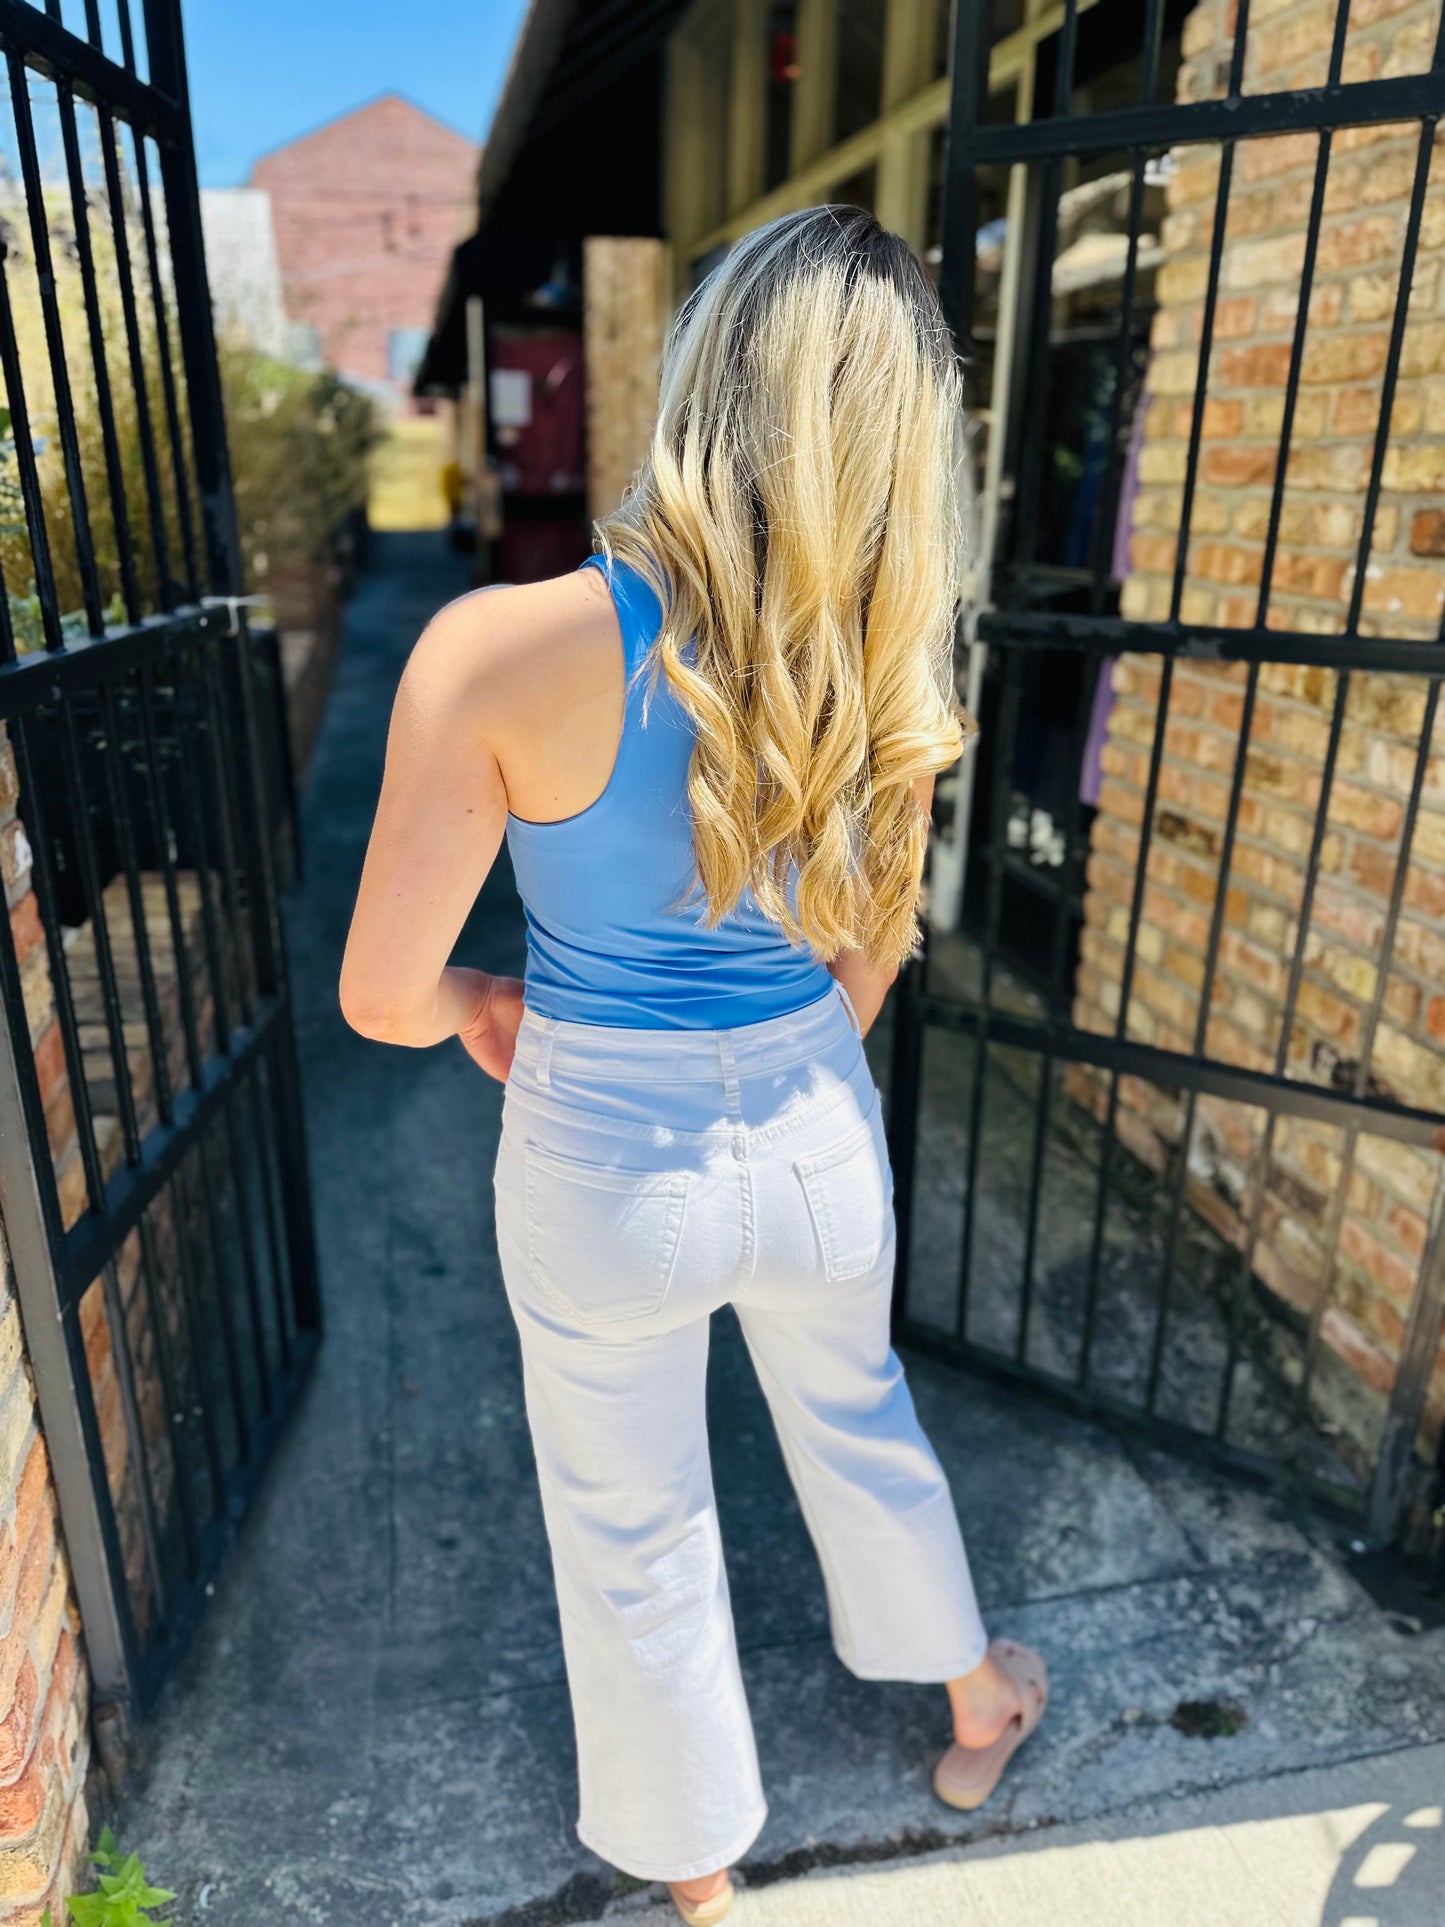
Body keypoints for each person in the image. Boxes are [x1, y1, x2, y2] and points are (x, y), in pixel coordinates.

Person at [340, 205, 1048, 1927]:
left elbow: (380, 996)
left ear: (703, 375)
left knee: (631, 1519)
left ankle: (701, 1872)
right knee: (857, 1415)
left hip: (598, 1148)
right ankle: (975, 1705)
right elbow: (868, 947)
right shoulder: (886, 655)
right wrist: (778, 1078)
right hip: (812, 1118)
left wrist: (488, 1006)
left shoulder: (497, 651)